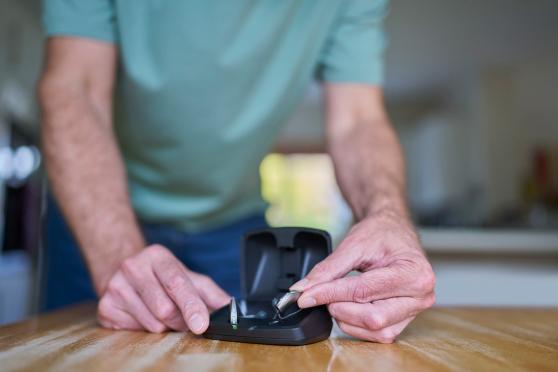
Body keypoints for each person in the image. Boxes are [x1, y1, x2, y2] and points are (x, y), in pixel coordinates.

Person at [38, 0, 435, 343]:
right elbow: (75, 90)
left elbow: (358, 121)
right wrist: (116, 255)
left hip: (233, 229)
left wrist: (388, 214)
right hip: (101, 217)